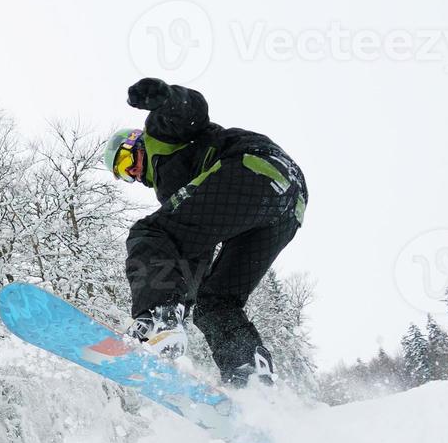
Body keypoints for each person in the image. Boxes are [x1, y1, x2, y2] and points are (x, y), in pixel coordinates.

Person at [104, 78, 308, 386]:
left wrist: (165, 97)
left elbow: (193, 111)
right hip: (288, 205)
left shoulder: (160, 137)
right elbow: (193, 250)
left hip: (252, 169)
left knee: (149, 233)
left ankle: (159, 318)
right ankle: (249, 376)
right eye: (123, 175)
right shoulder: (178, 190)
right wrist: (183, 301)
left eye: (125, 159)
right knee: (214, 301)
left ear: (137, 143)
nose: (131, 173)